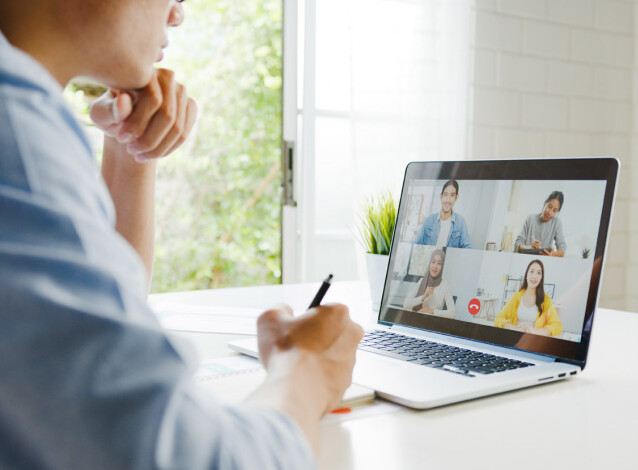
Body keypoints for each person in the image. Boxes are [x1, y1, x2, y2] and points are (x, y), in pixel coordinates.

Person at [0, 1, 363, 468]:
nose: (176, 13)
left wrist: (130, 150)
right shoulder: (16, 132)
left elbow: (100, 330)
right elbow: (173, 457)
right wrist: (306, 368)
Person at [494, 259, 562, 336]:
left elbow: (557, 326)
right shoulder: (516, 297)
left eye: (539, 273)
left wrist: (536, 332)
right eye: (532, 271)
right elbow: (498, 318)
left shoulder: (546, 299)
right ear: (526, 275)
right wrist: (514, 328)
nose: (534, 276)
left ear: (541, 278)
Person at [413, 180, 472, 248]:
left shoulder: (461, 222)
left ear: (456, 198)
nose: (448, 200)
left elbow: (468, 248)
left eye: (452, 195)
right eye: (445, 195)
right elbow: (416, 244)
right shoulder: (428, 220)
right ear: (441, 196)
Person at [403, 249, 456, 319]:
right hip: (415, 320)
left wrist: (430, 311)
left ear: (442, 266)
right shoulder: (422, 281)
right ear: (430, 263)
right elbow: (405, 304)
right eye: (433, 262)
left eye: (439, 263)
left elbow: (452, 313)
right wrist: (423, 297)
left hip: (431, 323)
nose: (435, 266)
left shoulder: (444, 284)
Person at [514, 191, 567, 257]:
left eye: (554, 210)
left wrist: (552, 254)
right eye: (549, 206)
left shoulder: (556, 222)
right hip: (525, 258)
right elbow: (517, 244)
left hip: (544, 262)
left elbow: (562, 249)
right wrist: (530, 247)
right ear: (545, 203)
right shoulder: (530, 218)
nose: (550, 213)